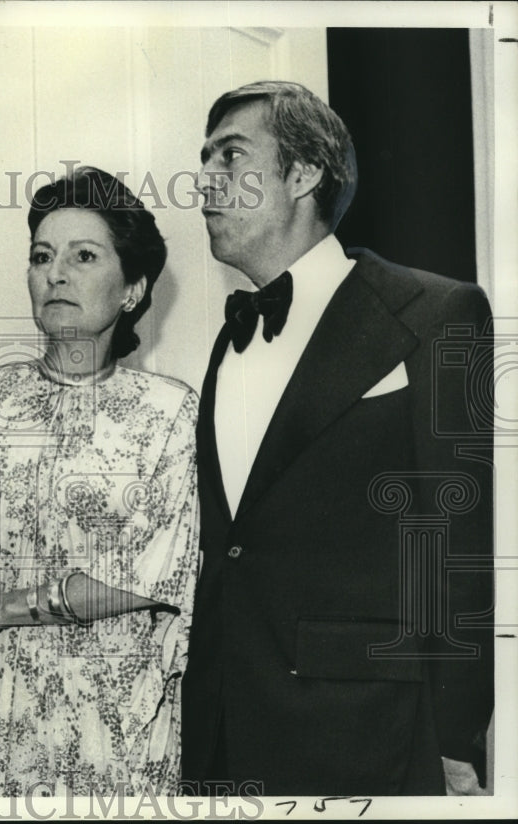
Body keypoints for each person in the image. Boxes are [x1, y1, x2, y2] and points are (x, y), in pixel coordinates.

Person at [181, 80, 494, 796]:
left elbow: (458, 546)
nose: (205, 182)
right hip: (223, 741)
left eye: (230, 157)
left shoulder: (436, 312)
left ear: (303, 173)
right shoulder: (227, 345)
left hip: (370, 739)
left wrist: (454, 738)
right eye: (203, 162)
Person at [0, 167, 200, 797]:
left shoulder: (171, 413)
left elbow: (153, 572)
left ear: (133, 288)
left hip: (123, 737)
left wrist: (0, 608)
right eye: (41, 256)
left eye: (84, 256)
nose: (55, 273)